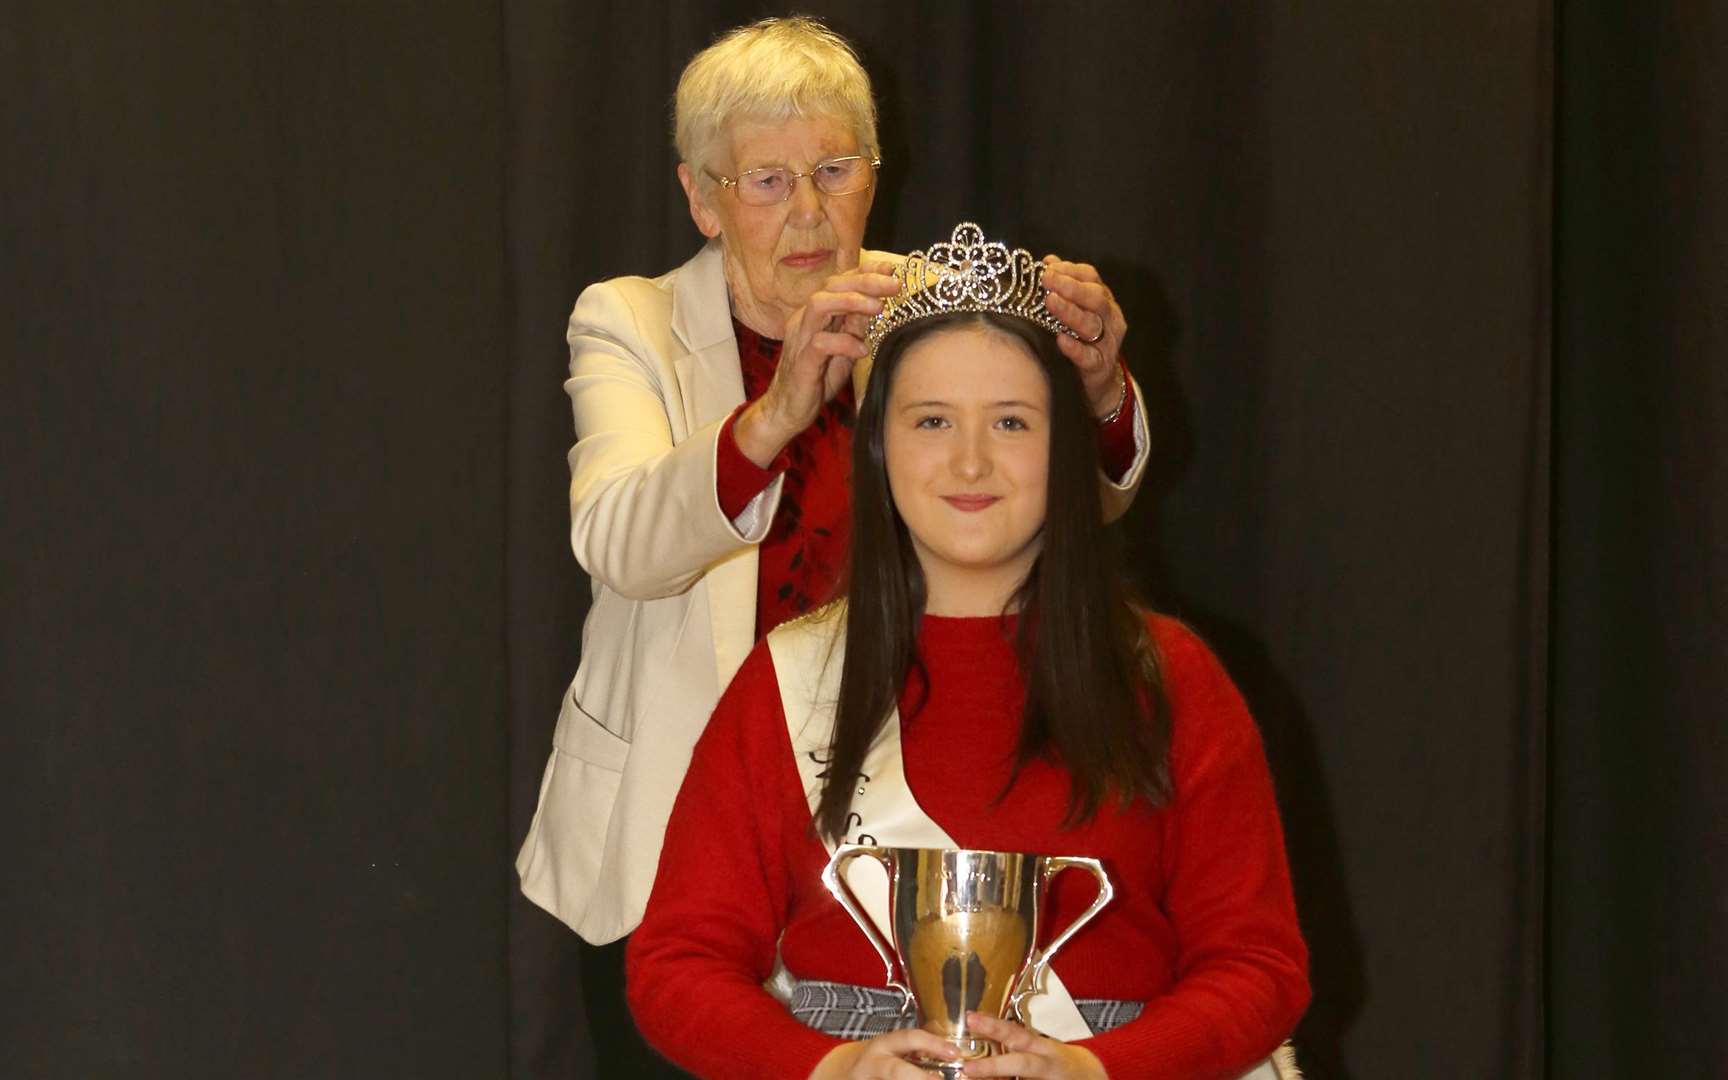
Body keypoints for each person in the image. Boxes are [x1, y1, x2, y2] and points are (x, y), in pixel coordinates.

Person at [515, 19, 1151, 1064]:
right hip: (672, 839)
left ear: (874, 175)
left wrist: (1099, 391)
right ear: (701, 198)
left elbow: (1059, 512)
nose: (808, 213)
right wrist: (774, 413)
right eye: (766, 181)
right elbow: (619, 540)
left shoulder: (927, 304)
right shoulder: (628, 321)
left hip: (894, 839)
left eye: (834, 170)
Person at [626, 225, 1309, 1079]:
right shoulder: (789, 680)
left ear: (1064, 447)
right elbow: (675, 964)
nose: (971, 459)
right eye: (932, 420)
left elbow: (1260, 966)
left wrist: (1102, 1072)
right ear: (880, 448)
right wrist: (831, 1070)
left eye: (1013, 422)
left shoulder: (1168, 676)